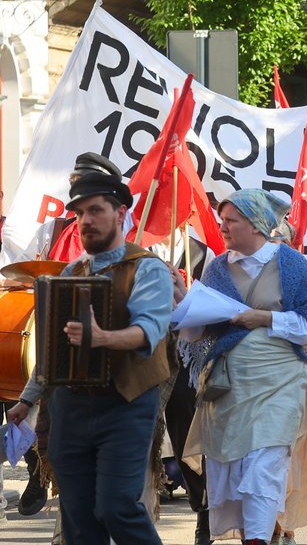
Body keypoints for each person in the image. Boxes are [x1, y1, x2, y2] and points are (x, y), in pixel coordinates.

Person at [8, 170, 174, 544]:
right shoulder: (70, 272)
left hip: (126, 404)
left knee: (118, 506)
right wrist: (27, 399)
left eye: (95, 210)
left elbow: (149, 331)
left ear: (120, 213)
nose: (86, 220)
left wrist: (102, 338)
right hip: (71, 405)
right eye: (80, 213)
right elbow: (52, 348)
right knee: (79, 517)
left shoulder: (147, 268)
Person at [180, 189, 307, 545]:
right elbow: (194, 332)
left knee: (264, 464)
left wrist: (263, 318)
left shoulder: (291, 262)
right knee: (233, 469)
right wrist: (182, 298)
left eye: (231, 220)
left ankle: (258, 541)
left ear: (255, 224)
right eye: (223, 220)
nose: (223, 227)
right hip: (230, 386)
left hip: (282, 382)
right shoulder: (217, 266)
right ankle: (254, 535)